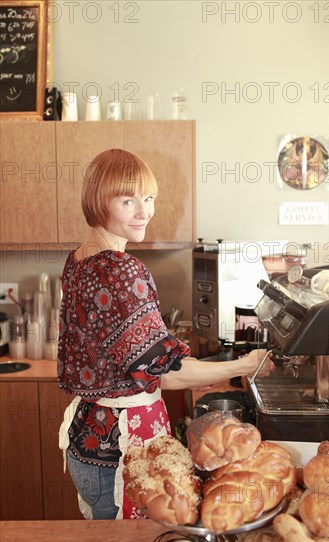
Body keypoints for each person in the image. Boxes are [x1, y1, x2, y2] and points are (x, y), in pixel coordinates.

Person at [58, 148, 275, 520]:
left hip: (87, 441)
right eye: (128, 201)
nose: (145, 212)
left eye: (149, 198)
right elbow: (167, 374)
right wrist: (247, 363)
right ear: (98, 202)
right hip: (121, 455)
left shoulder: (79, 257)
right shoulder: (123, 270)